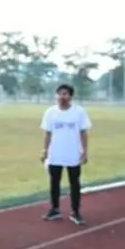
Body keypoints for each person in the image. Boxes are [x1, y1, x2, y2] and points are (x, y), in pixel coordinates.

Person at [40, 83, 91, 225]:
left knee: (74, 183)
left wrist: (84, 151)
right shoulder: (50, 112)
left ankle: (75, 211)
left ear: (70, 96)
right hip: (55, 153)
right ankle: (54, 209)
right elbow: (47, 133)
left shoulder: (79, 112)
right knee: (54, 182)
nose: (62, 97)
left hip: (73, 153)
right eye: (60, 93)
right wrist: (44, 150)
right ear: (56, 95)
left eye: (65, 94)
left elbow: (83, 133)